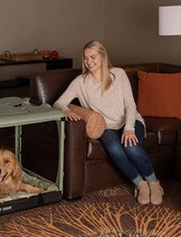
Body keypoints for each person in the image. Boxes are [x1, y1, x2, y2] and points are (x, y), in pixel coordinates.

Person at [53, 40, 164, 205]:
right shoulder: (80, 82)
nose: (89, 62)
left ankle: (154, 183)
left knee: (130, 146)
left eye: (93, 57)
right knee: (114, 148)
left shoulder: (118, 74)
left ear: (103, 56)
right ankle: (141, 185)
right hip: (106, 128)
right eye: (85, 58)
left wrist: (129, 128)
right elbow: (57, 103)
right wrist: (67, 110)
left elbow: (130, 104)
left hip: (130, 121)